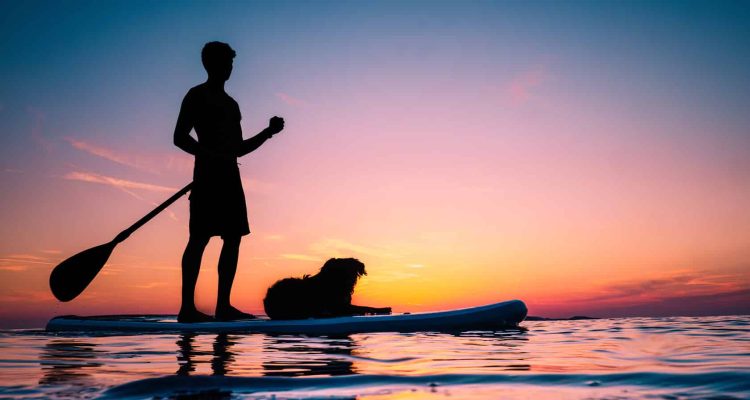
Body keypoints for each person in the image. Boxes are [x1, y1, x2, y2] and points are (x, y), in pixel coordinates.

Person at [173, 41, 284, 322]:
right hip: (206, 179)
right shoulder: (196, 95)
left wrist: (268, 133)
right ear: (210, 65)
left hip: (230, 180)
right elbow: (179, 137)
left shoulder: (232, 105)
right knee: (198, 239)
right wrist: (208, 154)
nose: (229, 68)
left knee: (233, 239)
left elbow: (238, 149)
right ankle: (187, 309)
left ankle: (223, 306)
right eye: (225, 62)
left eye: (231, 63)